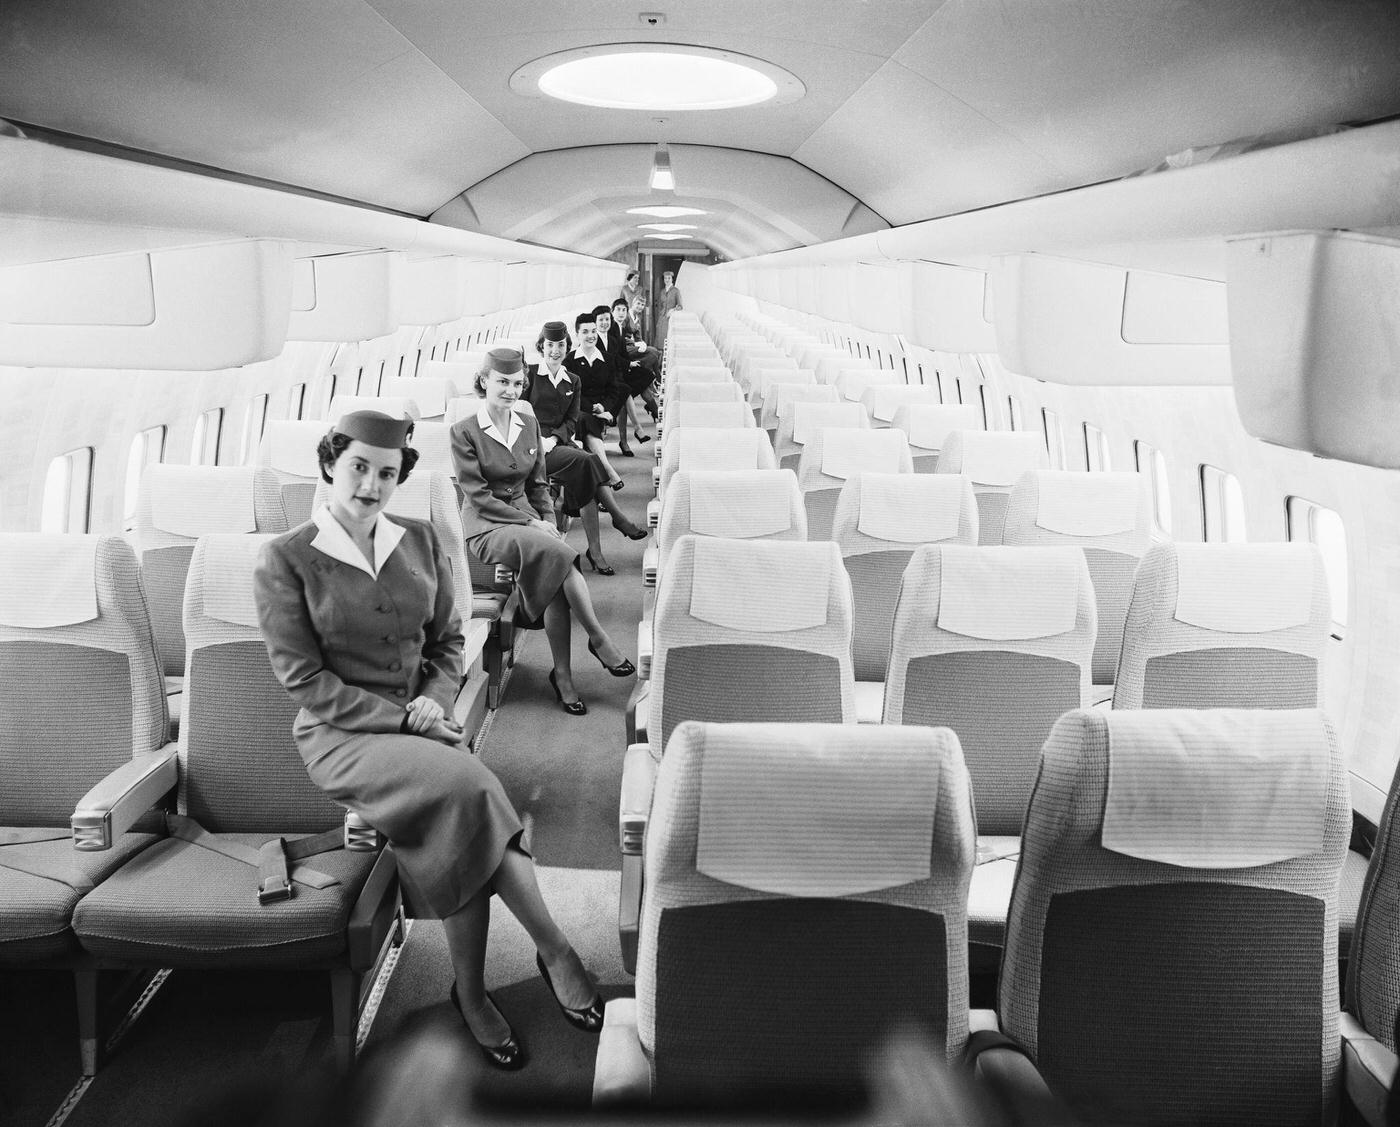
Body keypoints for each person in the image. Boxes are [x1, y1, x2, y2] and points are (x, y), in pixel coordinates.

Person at [253, 409, 604, 1073]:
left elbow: (447, 642)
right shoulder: (285, 559)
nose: (371, 483)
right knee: (472, 787)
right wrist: (406, 719)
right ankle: (555, 947)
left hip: (423, 718)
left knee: (461, 815)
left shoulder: (418, 540)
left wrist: (434, 701)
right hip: (343, 734)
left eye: (387, 472)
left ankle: (470, 993)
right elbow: (304, 681)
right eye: (358, 466)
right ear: (330, 464)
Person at [451, 350, 636, 717]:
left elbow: (538, 486)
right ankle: (598, 638)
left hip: (529, 521)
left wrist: (547, 518)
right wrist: (533, 524)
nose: (510, 390)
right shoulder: (464, 431)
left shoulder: (528, 425)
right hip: (486, 526)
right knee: (559, 557)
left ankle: (564, 677)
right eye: (502, 382)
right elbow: (479, 497)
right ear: (484, 381)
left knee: (555, 569)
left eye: (517, 384)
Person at [525, 321, 647, 575]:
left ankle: (596, 551)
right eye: (550, 345)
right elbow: (521, 416)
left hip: (560, 443)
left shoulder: (573, 380)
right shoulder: (530, 378)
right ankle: (618, 519)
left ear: (567, 347)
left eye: (560, 345)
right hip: (534, 448)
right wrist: (539, 440)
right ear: (541, 347)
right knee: (588, 462)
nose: (555, 351)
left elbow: (571, 421)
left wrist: (556, 439)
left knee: (586, 475)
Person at [563, 310, 629, 465]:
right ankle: (605, 467)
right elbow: (571, 394)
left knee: (589, 423)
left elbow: (614, 391)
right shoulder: (569, 361)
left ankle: (599, 468)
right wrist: (595, 409)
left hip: (601, 411)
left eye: (593, 331)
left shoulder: (607, 359)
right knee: (585, 420)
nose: (591, 336)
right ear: (577, 334)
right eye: (585, 332)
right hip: (579, 410)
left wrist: (604, 407)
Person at [592, 303, 636, 457]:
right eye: (601, 320)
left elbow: (617, 363)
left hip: (612, 381)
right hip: (597, 384)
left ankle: (624, 441)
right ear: (595, 323)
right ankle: (635, 430)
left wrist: (617, 380)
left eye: (607, 320)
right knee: (624, 391)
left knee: (623, 392)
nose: (605, 323)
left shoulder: (613, 339)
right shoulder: (591, 340)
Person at [612, 295, 661, 427]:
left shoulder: (628, 323)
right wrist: (629, 362)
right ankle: (657, 381)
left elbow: (637, 337)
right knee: (652, 357)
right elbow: (615, 353)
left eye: (623, 310)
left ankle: (655, 410)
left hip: (628, 357)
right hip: (622, 362)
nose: (621, 313)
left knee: (652, 358)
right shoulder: (614, 328)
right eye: (618, 310)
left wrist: (641, 343)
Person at [655, 268, 683, 351]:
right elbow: (660, 305)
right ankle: (660, 360)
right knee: (659, 339)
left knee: (667, 340)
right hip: (662, 318)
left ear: (672, 279)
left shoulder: (676, 291)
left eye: (669, 278)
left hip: (670, 318)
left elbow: (680, 306)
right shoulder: (662, 291)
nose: (667, 280)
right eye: (665, 278)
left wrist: (672, 310)